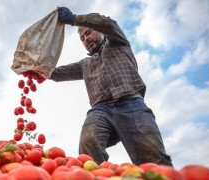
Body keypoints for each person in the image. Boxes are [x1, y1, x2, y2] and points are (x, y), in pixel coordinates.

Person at [49, 7, 173, 166]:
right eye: (82, 38)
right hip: (101, 109)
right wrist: (38, 70)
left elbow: (108, 24)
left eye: (88, 33)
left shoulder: (118, 42)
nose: (86, 38)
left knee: (153, 158)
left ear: (99, 32)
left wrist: (74, 19)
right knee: (88, 141)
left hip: (131, 104)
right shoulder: (84, 64)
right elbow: (58, 73)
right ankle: (98, 175)